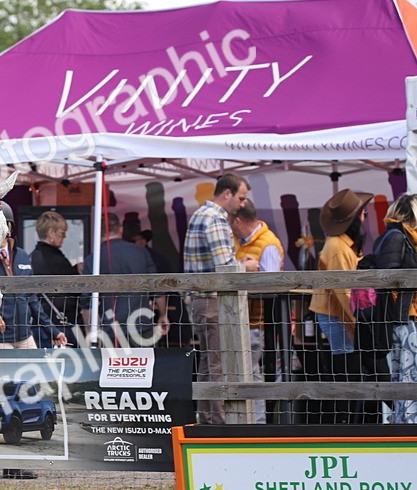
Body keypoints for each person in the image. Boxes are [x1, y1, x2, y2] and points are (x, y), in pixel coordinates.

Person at [182, 173, 258, 425]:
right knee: (219, 363)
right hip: (213, 300)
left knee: (208, 362)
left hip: (199, 299)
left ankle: (207, 417)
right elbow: (224, 266)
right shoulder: (215, 218)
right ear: (227, 193)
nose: (243, 204)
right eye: (241, 197)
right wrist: (246, 266)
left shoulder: (200, 214)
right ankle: (218, 422)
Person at [369, 193, 417, 424]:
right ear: (416, 213)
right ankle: (407, 427)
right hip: (404, 318)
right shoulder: (397, 237)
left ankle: (406, 422)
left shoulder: (413, 240)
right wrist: (397, 312)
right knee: (410, 376)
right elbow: (385, 277)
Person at [306, 188, 373, 423]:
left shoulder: (341, 244)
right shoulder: (337, 246)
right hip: (337, 315)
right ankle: (344, 419)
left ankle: (345, 417)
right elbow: (343, 292)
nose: (366, 216)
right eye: (363, 213)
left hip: (337, 313)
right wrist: (357, 323)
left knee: (346, 365)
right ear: (356, 218)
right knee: (346, 366)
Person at [0, 202, 63, 351]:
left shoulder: (22, 256)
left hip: (24, 336)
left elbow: (32, 300)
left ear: (10, 226)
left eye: (3, 223)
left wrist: (53, 331)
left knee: (34, 372)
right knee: (3, 375)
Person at [231, 202, 285, 425]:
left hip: (256, 323)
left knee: (252, 375)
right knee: (244, 374)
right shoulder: (242, 243)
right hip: (241, 322)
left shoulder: (268, 244)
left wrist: (244, 275)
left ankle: (258, 423)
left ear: (237, 221)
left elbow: (270, 287)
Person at [80, 213, 168, 346]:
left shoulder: (93, 259)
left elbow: (87, 301)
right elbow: (156, 288)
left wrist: (89, 331)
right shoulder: (141, 252)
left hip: (109, 329)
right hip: (141, 325)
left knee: (111, 367)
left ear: (99, 231)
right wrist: (163, 314)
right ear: (121, 229)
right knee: (144, 366)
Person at [30, 210, 79, 346]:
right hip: (60, 325)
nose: (64, 237)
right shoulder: (56, 260)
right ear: (51, 233)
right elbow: (75, 288)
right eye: (62, 233)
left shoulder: (31, 257)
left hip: (40, 323)